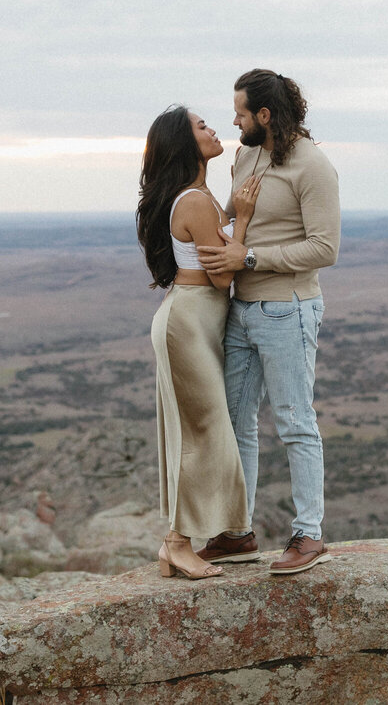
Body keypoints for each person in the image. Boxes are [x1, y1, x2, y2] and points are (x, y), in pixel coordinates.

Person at [197, 69, 339, 574]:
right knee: (237, 424)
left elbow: (325, 248)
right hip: (241, 308)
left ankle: (309, 534)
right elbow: (232, 219)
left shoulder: (313, 166)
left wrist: (252, 258)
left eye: (241, 113)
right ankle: (237, 531)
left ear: (264, 114)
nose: (234, 122)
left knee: (295, 422)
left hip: (288, 308)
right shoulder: (247, 155)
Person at [135, 105, 259, 579]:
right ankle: (177, 543)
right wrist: (242, 218)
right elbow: (222, 274)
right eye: (202, 126)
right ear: (186, 143)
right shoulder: (193, 200)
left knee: (201, 430)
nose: (213, 129)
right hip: (188, 322)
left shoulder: (200, 195)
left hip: (198, 321)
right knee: (200, 432)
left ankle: (185, 540)